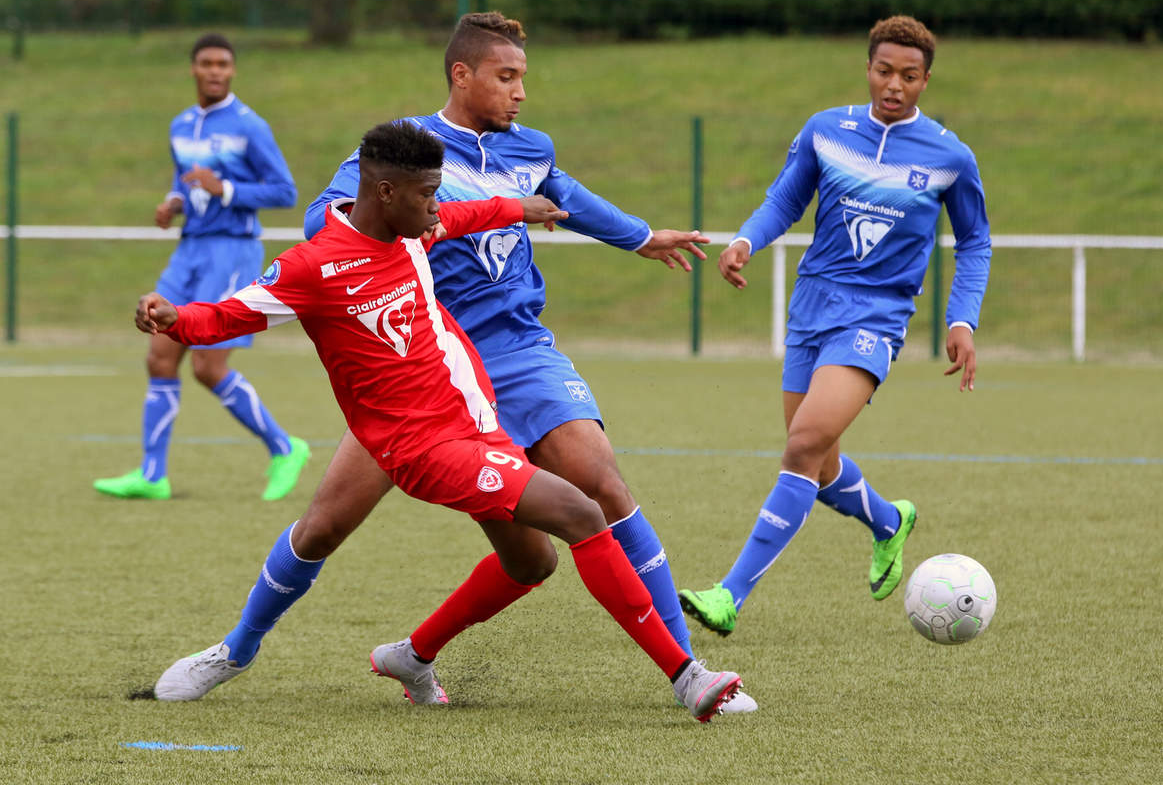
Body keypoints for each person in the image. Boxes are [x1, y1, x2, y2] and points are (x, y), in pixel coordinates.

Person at [147, 121, 743, 723]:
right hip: (421, 445)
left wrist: (521, 206)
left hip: (473, 426)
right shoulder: (313, 267)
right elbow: (225, 316)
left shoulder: (414, 232)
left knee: (531, 562)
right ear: (383, 192)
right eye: (428, 193)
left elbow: (470, 215)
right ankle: (686, 676)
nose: (437, 207)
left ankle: (411, 655)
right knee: (580, 512)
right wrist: (172, 317)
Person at [301, 13, 756, 711]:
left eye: (523, 78)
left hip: (519, 352)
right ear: (463, 75)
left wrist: (641, 238)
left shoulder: (531, 147)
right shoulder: (411, 150)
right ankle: (247, 648)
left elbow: (567, 198)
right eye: (506, 77)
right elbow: (327, 217)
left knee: (601, 482)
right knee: (331, 523)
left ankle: (689, 671)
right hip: (427, 368)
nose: (519, 92)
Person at [679, 15, 992, 635]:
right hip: (811, 308)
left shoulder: (950, 156)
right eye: (884, 71)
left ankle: (729, 594)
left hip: (876, 316)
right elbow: (784, 201)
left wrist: (962, 319)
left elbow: (976, 241)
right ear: (868, 69)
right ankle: (888, 520)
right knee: (818, 465)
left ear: (926, 80)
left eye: (909, 75)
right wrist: (747, 240)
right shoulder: (827, 131)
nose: (894, 85)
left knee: (801, 445)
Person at [93, 32, 310, 502]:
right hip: (189, 249)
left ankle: (285, 447)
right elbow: (185, 177)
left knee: (208, 367)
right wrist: (174, 201)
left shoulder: (250, 126)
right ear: (193, 68)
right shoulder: (181, 124)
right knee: (159, 354)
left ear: (232, 71)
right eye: (207, 63)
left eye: (223, 64)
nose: (215, 71)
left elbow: (285, 192)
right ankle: (153, 476)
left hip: (232, 252)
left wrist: (226, 189)